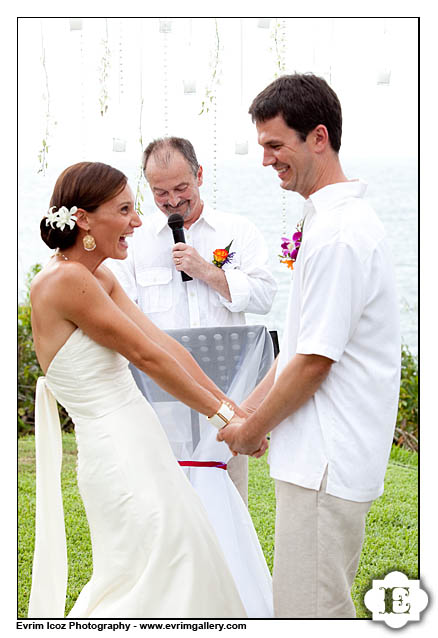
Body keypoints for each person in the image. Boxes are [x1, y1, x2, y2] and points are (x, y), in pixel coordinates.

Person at [28, 161, 257, 619]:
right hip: (117, 452)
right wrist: (226, 421)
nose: (138, 221)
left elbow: (166, 346)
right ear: (85, 219)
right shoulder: (65, 280)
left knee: (182, 556)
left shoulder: (97, 275)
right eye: (126, 209)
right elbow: (146, 359)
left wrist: (236, 412)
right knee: (160, 569)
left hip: (142, 439)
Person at [218, 73, 401, 618]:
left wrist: (250, 429)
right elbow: (299, 348)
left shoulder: (340, 234)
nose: (267, 159)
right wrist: (240, 410)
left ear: (318, 137)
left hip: (327, 460)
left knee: (308, 616)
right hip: (315, 461)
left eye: (276, 145)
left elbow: (314, 363)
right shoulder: (329, 224)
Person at [107, 137, 276, 618]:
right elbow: (127, 317)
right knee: (165, 510)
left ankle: (230, 601)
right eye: (160, 194)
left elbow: (263, 295)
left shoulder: (236, 231)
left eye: (180, 187)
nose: (172, 201)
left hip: (228, 397)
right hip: (159, 401)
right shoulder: (136, 243)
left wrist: (207, 271)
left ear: (200, 176)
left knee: (227, 502)